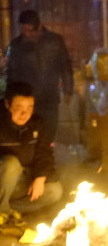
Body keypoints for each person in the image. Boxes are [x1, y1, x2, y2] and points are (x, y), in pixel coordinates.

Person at [3, 10, 73, 146]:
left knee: (49, 129)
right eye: (24, 29)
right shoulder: (17, 45)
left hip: (49, 95)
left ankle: (45, 157)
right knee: (28, 130)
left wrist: (68, 89)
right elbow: (11, 72)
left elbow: (65, 65)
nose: (26, 34)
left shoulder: (55, 41)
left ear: (39, 27)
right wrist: (10, 95)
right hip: (26, 97)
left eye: (30, 30)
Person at [0, 82, 63, 215]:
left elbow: (44, 152)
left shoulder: (37, 124)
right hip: (3, 181)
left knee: (54, 191)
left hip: (21, 182)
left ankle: (8, 210)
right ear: (7, 104)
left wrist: (40, 177)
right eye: (19, 108)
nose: (25, 114)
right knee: (12, 164)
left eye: (29, 108)